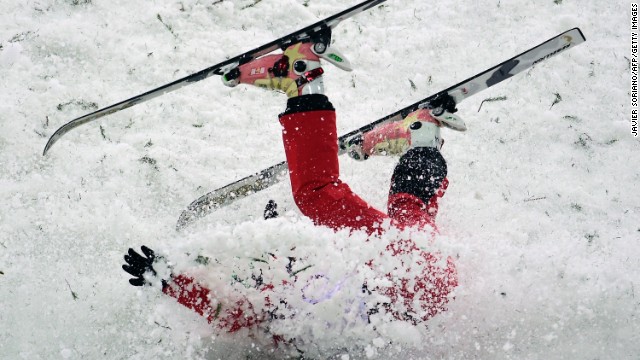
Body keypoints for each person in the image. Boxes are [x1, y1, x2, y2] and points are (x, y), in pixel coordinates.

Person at [122, 39, 463, 339]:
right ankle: (301, 76)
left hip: (434, 285)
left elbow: (240, 309)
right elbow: (232, 314)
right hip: (400, 276)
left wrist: (170, 279)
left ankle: (422, 136)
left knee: (408, 213)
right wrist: (166, 279)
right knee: (315, 194)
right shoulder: (287, 330)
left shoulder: (315, 327)